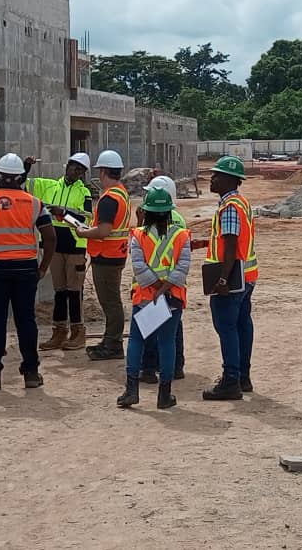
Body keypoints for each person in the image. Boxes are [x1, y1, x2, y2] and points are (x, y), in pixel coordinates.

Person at [0, 153, 56, 391]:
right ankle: (31, 372)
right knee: (26, 320)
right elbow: (50, 237)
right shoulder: (35, 203)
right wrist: (43, 267)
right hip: (26, 268)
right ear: (20, 177)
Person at [117, 188, 191, 410]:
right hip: (171, 299)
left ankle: (131, 391)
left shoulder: (138, 236)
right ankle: (164, 395)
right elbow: (182, 268)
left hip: (145, 299)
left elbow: (139, 268)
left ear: (146, 212)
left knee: (137, 341)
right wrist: (166, 288)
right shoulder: (181, 236)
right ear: (169, 212)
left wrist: (157, 288)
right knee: (167, 342)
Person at [22, 152, 94, 352]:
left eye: (80, 170)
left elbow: (86, 218)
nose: (76, 171)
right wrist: (26, 167)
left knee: (74, 291)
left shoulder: (84, 192)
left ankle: (78, 332)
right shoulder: (49, 186)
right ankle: (59, 332)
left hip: (74, 247)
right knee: (60, 291)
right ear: (67, 165)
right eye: (74, 167)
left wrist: (64, 212)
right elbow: (21, 185)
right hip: (54, 247)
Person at [200, 156, 258, 401]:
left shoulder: (230, 207)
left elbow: (231, 244)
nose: (212, 179)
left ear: (230, 180)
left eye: (216, 175)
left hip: (232, 280)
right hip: (246, 276)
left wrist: (223, 279)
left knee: (227, 328)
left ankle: (231, 380)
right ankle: (243, 377)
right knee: (242, 325)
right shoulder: (241, 203)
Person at [76, 150, 131, 361]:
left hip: (107, 256)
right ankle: (110, 340)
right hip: (115, 254)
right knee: (111, 301)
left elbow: (103, 231)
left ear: (104, 172)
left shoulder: (109, 198)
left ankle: (113, 344)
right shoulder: (121, 193)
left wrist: (82, 232)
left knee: (110, 302)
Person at [138, 175, 187, 384]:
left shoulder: (150, 218)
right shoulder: (179, 220)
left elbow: (141, 243)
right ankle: (176, 366)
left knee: (150, 328)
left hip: (153, 284)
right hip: (174, 284)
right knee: (174, 329)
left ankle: (149, 369)